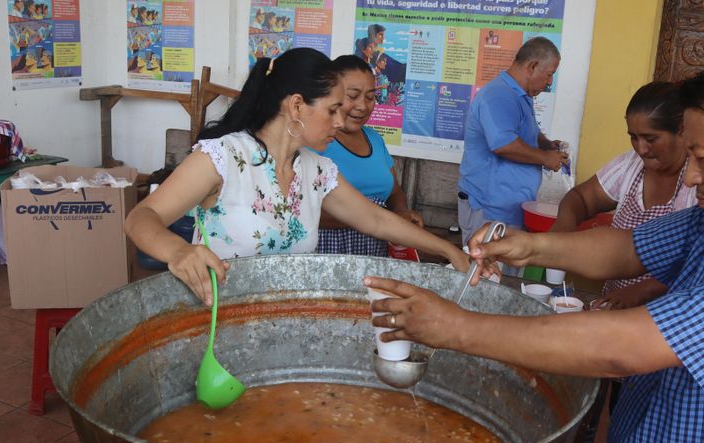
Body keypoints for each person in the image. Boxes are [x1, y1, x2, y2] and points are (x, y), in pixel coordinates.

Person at [365, 52, 704, 443]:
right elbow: (628, 248)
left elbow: (623, 348)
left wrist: (455, 328)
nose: (690, 176)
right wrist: (532, 243)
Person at [125, 48, 468, 306]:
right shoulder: (225, 157)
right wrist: (178, 252)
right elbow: (141, 217)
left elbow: (376, 219)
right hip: (218, 319)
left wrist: (447, 251)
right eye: (332, 110)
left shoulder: (315, 170)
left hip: (285, 319)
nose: (339, 121)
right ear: (296, 106)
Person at [551, 81, 695, 310]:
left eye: (650, 138)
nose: (640, 148)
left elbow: (701, 259)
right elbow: (581, 198)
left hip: (665, 314)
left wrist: (643, 289)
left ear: (681, 130)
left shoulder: (696, 181)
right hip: (614, 302)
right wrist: (563, 227)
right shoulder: (630, 165)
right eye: (633, 137)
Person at [457, 37, 568, 249]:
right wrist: (545, 158)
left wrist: (546, 144)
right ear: (532, 66)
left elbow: (530, 133)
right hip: (489, 211)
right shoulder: (498, 95)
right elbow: (503, 145)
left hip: (510, 210)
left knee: (505, 278)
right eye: (550, 74)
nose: (550, 82)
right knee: (487, 276)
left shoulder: (521, 96)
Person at [317, 55, 421, 257]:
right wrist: (372, 216)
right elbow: (300, 209)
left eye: (370, 97)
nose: (362, 106)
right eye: (352, 96)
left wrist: (400, 213)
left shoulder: (374, 139)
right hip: (327, 254)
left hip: (374, 253)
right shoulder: (316, 140)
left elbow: (394, 192)